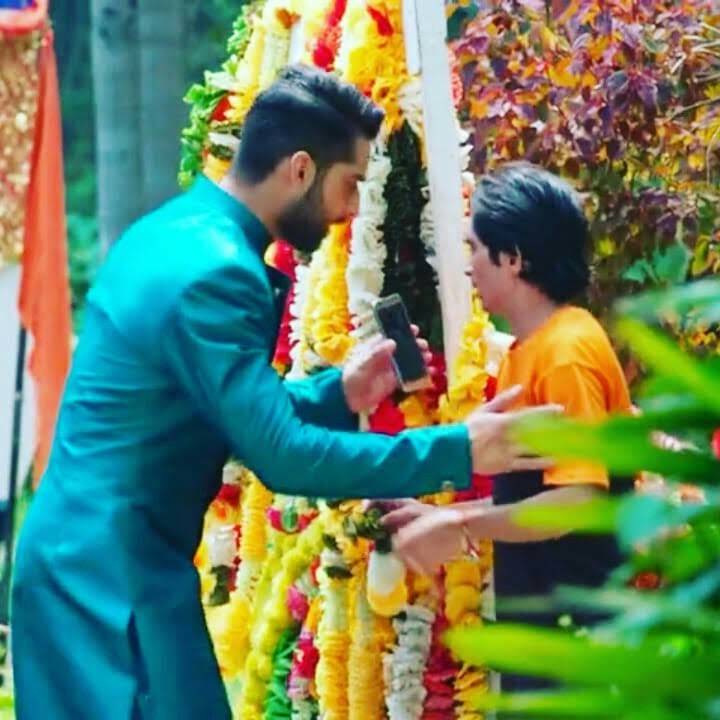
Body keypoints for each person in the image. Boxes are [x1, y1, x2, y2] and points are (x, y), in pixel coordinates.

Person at [11, 67, 556, 720]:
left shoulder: (181, 230)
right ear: (300, 169)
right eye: (349, 184)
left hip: (101, 559)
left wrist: (341, 390)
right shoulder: (216, 272)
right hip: (104, 585)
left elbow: (222, 415)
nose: (351, 210)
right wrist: (462, 449)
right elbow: (283, 455)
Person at [380, 162, 633, 693]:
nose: (469, 265)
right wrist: (442, 516)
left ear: (514, 258)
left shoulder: (566, 351)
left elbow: (576, 501)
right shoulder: (530, 349)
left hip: (582, 642)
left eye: (475, 248)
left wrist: (460, 525)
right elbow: (533, 491)